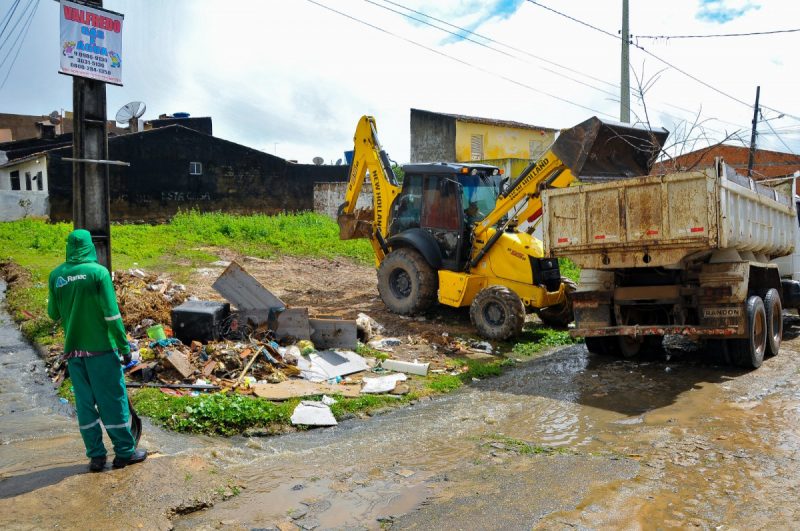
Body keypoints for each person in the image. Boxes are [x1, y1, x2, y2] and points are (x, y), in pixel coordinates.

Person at [47, 229, 147, 472]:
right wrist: (124, 346)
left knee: (85, 405)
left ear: (69, 247)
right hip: (101, 349)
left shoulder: (56, 275)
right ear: (90, 246)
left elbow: (53, 314)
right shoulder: (98, 273)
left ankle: (96, 457)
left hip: (73, 352)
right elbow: (112, 314)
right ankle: (124, 453)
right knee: (112, 400)